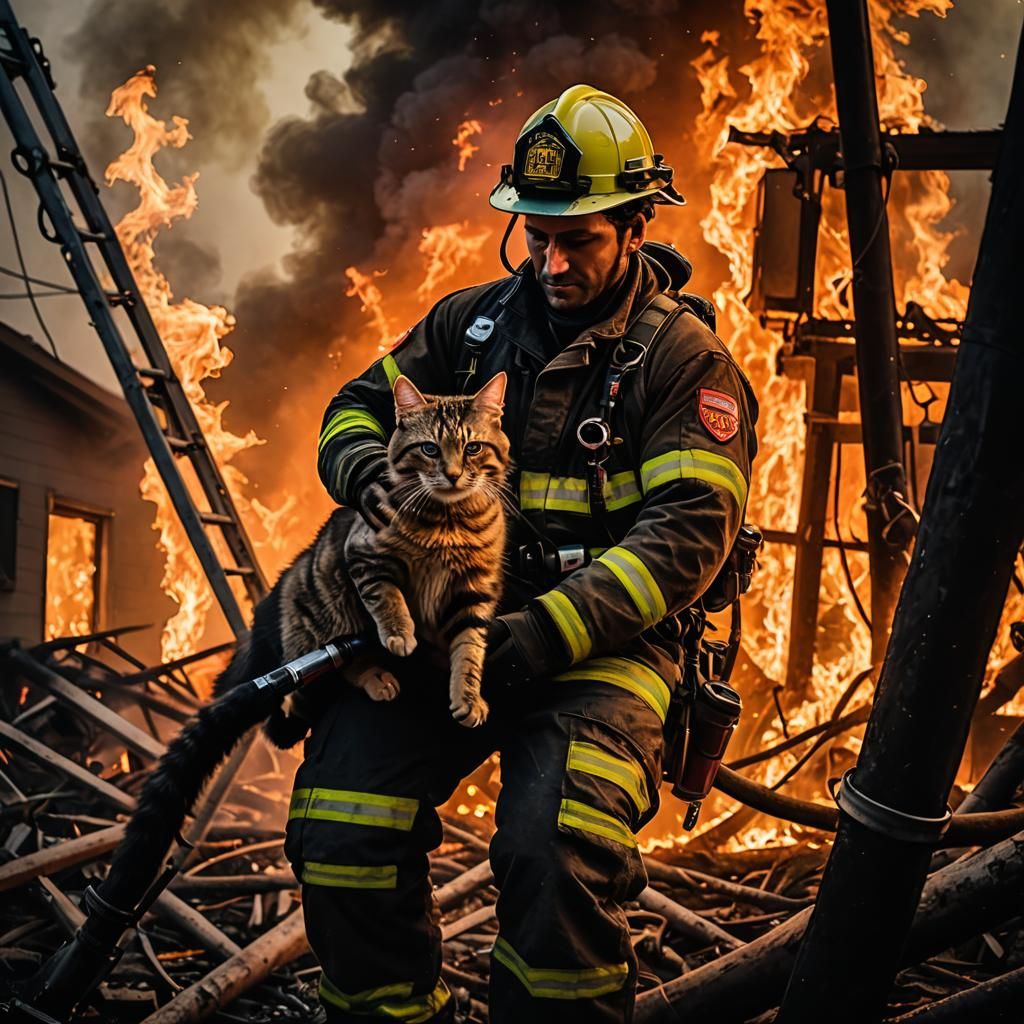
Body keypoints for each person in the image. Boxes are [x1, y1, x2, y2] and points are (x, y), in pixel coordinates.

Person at [294, 83, 759, 1023]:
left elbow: (687, 538)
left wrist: (543, 634)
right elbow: (354, 408)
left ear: (634, 227)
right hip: (450, 626)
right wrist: (367, 478)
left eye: (577, 238)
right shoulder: (466, 326)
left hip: (605, 651)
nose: (549, 260)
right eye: (535, 234)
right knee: (339, 819)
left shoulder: (683, 362)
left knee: (558, 847)